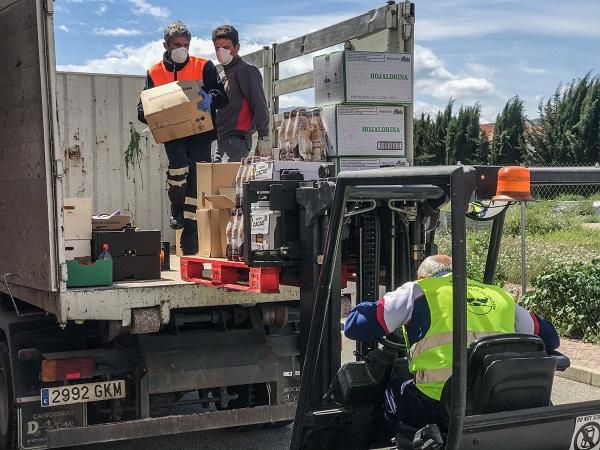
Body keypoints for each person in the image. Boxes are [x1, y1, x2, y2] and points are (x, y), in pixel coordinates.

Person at [344, 254, 560, 435]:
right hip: (494, 400)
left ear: (423, 276)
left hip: (438, 402)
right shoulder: (499, 295)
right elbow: (550, 338)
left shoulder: (418, 290)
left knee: (391, 390)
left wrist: (367, 305)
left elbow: (356, 327)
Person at [137, 20, 228, 255]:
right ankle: (176, 211)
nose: (182, 49)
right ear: (165, 45)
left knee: (196, 186)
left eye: (186, 44)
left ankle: (190, 243)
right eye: (177, 44)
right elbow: (142, 109)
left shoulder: (203, 66)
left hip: (200, 133)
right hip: (174, 135)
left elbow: (222, 96)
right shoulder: (155, 72)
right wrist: (157, 115)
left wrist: (210, 97)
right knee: (178, 172)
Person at [211, 25, 271, 161]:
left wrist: (263, 137)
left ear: (237, 47)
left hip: (237, 141)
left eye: (226, 48)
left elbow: (259, 103)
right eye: (217, 48)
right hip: (221, 141)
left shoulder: (246, 71)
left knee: (230, 182)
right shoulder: (221, 75)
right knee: (219, 182)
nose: (221, 52)